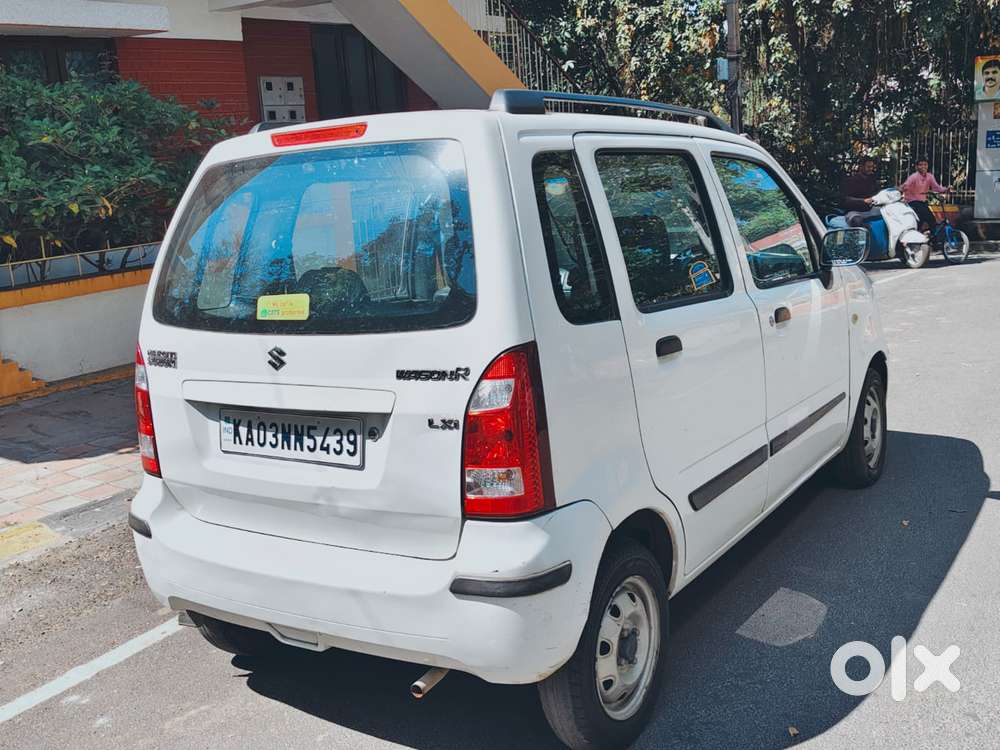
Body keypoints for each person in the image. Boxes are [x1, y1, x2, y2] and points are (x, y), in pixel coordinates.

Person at [901, 158, 949, 233]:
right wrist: (903, 188)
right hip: (912, 202)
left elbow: (936, 187)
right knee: (930, 219)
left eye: (925, 164)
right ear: (916, 167)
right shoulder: (913, 177)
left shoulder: (930, 176)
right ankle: (935, 242)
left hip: (922, 202)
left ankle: (930, 238)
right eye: (920, 165)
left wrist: (945, 189)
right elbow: (906, 185)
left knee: (926, 221)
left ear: (927, 166)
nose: (923, 166)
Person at [840, 156, 881, 227]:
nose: (870, 169)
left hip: (870, 210)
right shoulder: (851, 180)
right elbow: (846, 199)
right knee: (857, 221)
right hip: (855, 212)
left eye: (872, 167)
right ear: (861, 167)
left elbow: (878, 194)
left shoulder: (873, 180)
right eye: (868, 167)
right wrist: (863, 201)